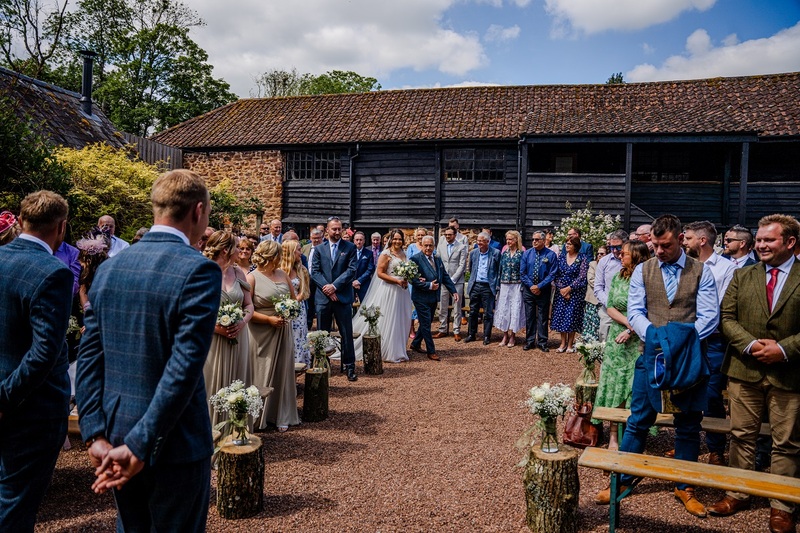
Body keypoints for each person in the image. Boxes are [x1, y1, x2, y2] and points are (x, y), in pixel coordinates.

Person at [76, 170, 221, 531]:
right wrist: (140, 445)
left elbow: (90, 356)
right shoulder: (199, 270)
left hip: (116, 434)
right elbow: (184, 367)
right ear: (198, 211)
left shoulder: (110, 268)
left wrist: (94, 433)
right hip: (174, 441)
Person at [595, 214, 719, 519]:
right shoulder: (643, 270)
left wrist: (676, 341)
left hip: (689, 360)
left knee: (688, 425)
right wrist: (656, 337)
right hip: (650, 356)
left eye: (665, 245)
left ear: (680, 240)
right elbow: (636, 311)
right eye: (655, 245)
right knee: (638, 419)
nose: (659, 251)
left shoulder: (701, 271)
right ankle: (624, 478)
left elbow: (709, 316)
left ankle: (684, 485)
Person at [707, 214, 800, 533]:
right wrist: (750, 345)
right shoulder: (742, 275)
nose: (761, 245)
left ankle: (782, 505)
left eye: (768, 239)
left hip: (789, 373)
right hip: (744, 369)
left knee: (786, 443)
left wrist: (784, 349)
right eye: (759, 239)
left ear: (790, 242)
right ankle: (737, 492)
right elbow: (726, 317)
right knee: (741, 436)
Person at [0, 191, 72, 531]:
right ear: (61, 227)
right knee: (15, 502)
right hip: (30, 409)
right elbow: (44, 352)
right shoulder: (53, 272)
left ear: (20, 220)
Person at [682, 220, 736, 466]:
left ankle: (716, 448)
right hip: (684, 337)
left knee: (713, 395)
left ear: (702, 240)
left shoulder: (726, 268)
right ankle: (685, 442)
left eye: (688, 238)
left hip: (713, 340)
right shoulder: (682, 265)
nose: (684, 242)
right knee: (684, 390)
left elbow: (720, 305)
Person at [592, 240, 650, 450]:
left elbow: (650, 310)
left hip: (639, 340)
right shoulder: (619, 276)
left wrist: (632, 329)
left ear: (635, 255)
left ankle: (634, 437)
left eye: (624, 253)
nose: (619, 255)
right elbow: (610, 306)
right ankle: (614, 437)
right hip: (617, 338)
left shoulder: (648, 278)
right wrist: (628, 323)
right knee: (614, 386)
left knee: (634, 388)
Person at [247, 240, 301, 431]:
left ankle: (280, 413)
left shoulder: (282, 274)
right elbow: (246, 310)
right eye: (279, 254)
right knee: (260, 369)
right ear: (272, 256)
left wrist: (289, 311)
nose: (281, 258)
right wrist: (269, 320)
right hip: (260, 332)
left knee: (282, 369)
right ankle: (257, 416)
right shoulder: (252, 278)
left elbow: (294, 299)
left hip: (283, 329)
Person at [203, 230, 253, 427]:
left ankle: (237, 430)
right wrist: (217, 328)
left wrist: (242, 322)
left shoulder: (238, 272)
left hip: (239, 337)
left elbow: (249, 305)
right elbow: (195, 311)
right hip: (212, 339)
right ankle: (211, 432)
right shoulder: (204, 272)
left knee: (237, 383)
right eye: (237, 247)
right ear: (226, 250)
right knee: (211, 383)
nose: (240, 251)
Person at [352, 229, 413, 363]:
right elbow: (380, 273)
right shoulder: (386, 254)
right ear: (390, 239)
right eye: (395, 238)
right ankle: (387, 350)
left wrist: (407, 278)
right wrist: (397, 281)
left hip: (402, 291)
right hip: (390, 290)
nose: (397, 241)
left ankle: (398, 348)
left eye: (400, 239)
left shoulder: (404, 253)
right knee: (390, 318)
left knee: (401, 318)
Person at [310, 216, 358, 381]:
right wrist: (327, 289)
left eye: (339, 229)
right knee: (322, 333)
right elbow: (315, 272)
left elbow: (351, 270)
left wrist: (335, 286)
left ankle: (350, 366)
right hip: (323, 298)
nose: (337, 232)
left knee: (346, 333)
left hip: (342, 296)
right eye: (334, 229)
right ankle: (324, 364)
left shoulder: (350, 247)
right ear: (327, 230)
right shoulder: (319, 249)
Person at [409, 236, 458, 360]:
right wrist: (429, 285)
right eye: (425, 245)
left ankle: (415, 343)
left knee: (427, 322)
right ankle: (431, 351)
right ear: (422, 245)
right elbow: (413, 280)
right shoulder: (415, 259)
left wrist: (453, 291)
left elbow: (444, 276)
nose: (428, 248)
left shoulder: (437, 259)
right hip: (420, 298)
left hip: (433, 298)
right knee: (426, 325)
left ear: (434, 246)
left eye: (430, 245)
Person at [521, 231, 559, 352]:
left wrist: (539, 286)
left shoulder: (551, 255)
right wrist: (532, 286)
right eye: (533, 239)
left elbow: (553, 273)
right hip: (529, 289)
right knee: (530, 316)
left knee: (543, 316)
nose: (534, 241)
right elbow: (522, 273)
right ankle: (530, 341)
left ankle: (542, 342)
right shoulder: (527, 254)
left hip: (544, 289)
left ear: (543, 241)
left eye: (537, 239)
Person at [551, 237, 589, 352]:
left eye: (569, 244)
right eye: (566, 244)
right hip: (561, 293)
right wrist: (562, 289)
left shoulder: (582, 258)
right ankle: (562, 343)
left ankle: (570, 344)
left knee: (572, 317)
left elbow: (582, 276)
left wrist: (569, 289)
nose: (567, 246)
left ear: (575, 246)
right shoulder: (561, 257)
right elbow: (556, 274)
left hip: (575, 293)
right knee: (561, 317)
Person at [464, 232, 501, 345]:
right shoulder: (473, 253)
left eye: (481, 241)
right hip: (475, 285)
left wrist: (496, 285)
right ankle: (471, 334)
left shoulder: (496, 253)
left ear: (488, 242)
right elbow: (471, 268)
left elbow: (499, 270)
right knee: (473, 311)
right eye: (478, 240)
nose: (479, 243)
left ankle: (486, 336)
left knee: (488, 313)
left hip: (488, 286)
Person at [281, 240, 311, 366]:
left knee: (298, 337)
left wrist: (292, 304)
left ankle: (298, 367)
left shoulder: (302, 270)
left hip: (298, 310)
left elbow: (304, 292)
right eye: (298, 250)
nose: (301, 252)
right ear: (291, 252)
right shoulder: (278, 270)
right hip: (280, 310)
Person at [434, 225, 467, 341]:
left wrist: (452, 279)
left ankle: (456, 330)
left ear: (455, 235)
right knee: (443, 306)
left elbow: (462, 265)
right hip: (443, 281)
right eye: (446, 234)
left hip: (457, 281)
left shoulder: (461, 247)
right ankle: (442, 329)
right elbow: (438, 262)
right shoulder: (441, 246)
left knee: (457, 307)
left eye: (450, 234)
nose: (447, 236)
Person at [594, 230, 628, 341]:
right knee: (604, 340)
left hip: (628, 311)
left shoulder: (633, 261)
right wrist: (609, 304)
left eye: (618, 247)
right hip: (608, 310)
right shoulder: (604, 261)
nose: (614, 251)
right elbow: (598, 287)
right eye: (611, 247)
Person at [494, 230, 525, 347]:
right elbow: (500, 270)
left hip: (516, 284)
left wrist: (523, 285)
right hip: (504, 284)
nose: (508, 241)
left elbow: (523, 270)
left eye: (510, 239)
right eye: (507, 239)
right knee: (504, 309)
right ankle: (505, 335)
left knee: (515, 309)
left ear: (516, 240)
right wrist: (498, 285)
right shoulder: (504, 254)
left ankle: (513, 336)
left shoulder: (521, 254)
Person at [582, 246, 607, 342]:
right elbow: (591, 279)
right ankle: (589, 344)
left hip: (605, 300)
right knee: (591, 324)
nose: (599, 255)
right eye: (598, 253)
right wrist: (603, 287)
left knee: (603, 324)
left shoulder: (610, 265)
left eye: (602, 254)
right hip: (593, 299)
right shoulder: (593, 264)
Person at [352, 231, 375, 304]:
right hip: (350, 284)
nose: (359, 242)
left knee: (365, 306)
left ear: (364, 241)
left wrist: (359, 281)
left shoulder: (369, 253)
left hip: (364, 283)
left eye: (361, 240)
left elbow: (370, 269)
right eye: (357, 240)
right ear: (354, 241)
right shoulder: (349, 252)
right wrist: (353, 281)